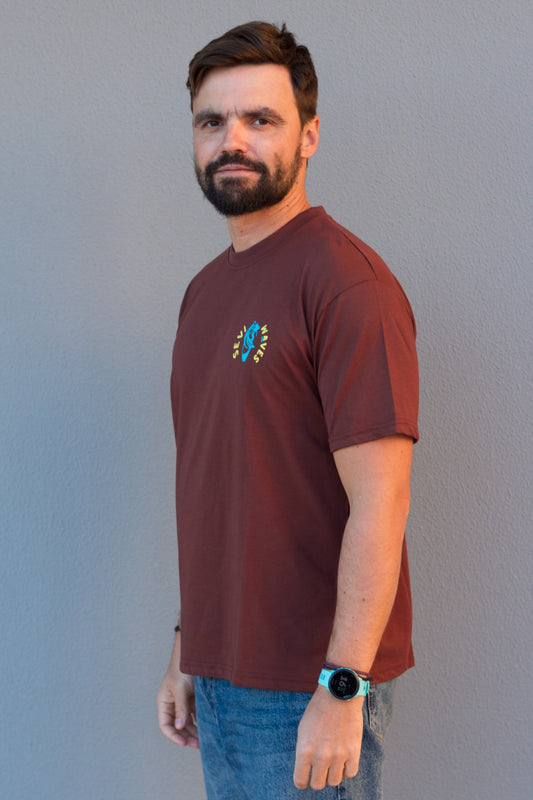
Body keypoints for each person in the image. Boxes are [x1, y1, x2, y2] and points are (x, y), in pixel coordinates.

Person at [157, 21, 419, 800]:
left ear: (308, 136)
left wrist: (342, 688)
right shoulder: (205, 292)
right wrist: (188, 646)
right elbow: (220, 486)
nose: (231, 140)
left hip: (308, 686)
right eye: (212, 121)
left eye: (260, 119)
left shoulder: (345, 283)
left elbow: (382, 501)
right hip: (220, 676)